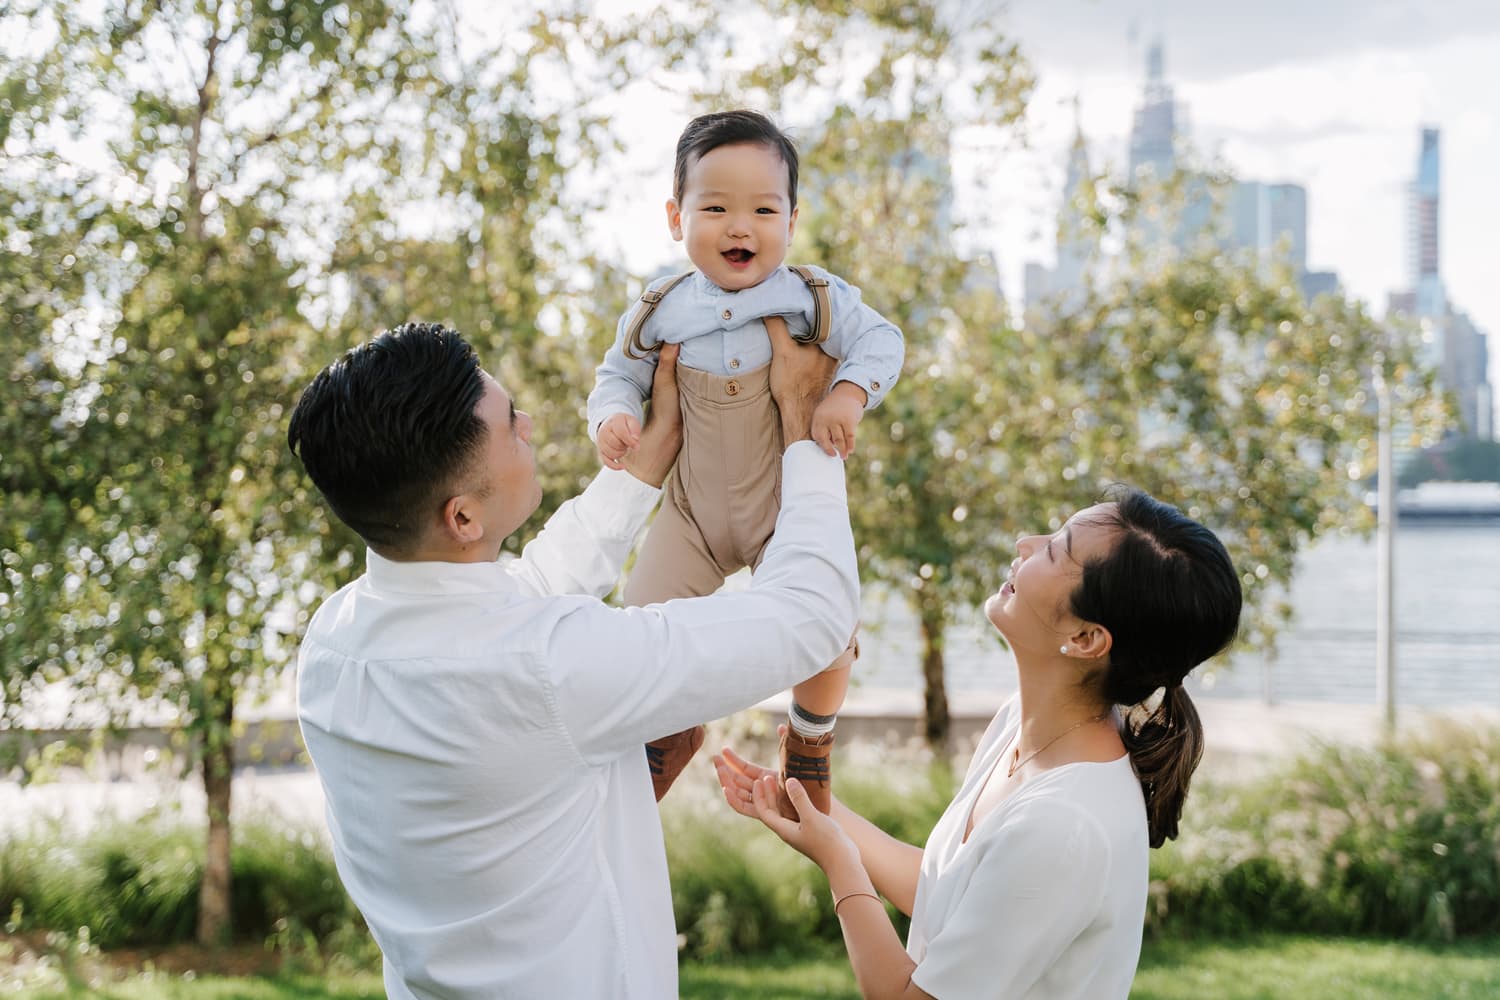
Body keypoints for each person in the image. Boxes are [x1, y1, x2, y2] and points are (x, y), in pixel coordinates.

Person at [286, 320, 859, 999]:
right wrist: (807, 426)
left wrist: (648, 461)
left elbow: (520, 597)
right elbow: (812, 615)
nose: (528, 425)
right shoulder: (547, 666)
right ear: (463, 519)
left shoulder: (333, 643)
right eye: (510, 426)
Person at [714, 487, 1243, 999]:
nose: (1025, 543)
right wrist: (820, 813)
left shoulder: (1065, 825)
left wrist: (838, 862)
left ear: (1086, 639)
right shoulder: (1022, 725)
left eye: (1054, 549)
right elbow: (947, 895)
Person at [588, 108, 904, 812]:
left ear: (792, 219)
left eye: (763, 209)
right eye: (716, 209)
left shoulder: (813, 297)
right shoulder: (659, 308)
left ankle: (810, 739)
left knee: (829, 622)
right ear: (676, 218)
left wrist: (847, 394)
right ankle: (667, 733)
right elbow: (618, 374)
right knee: (636, 631)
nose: (741, 227)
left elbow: (883, 341)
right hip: (692, 513)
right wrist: (611, 416)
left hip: (782, 510)